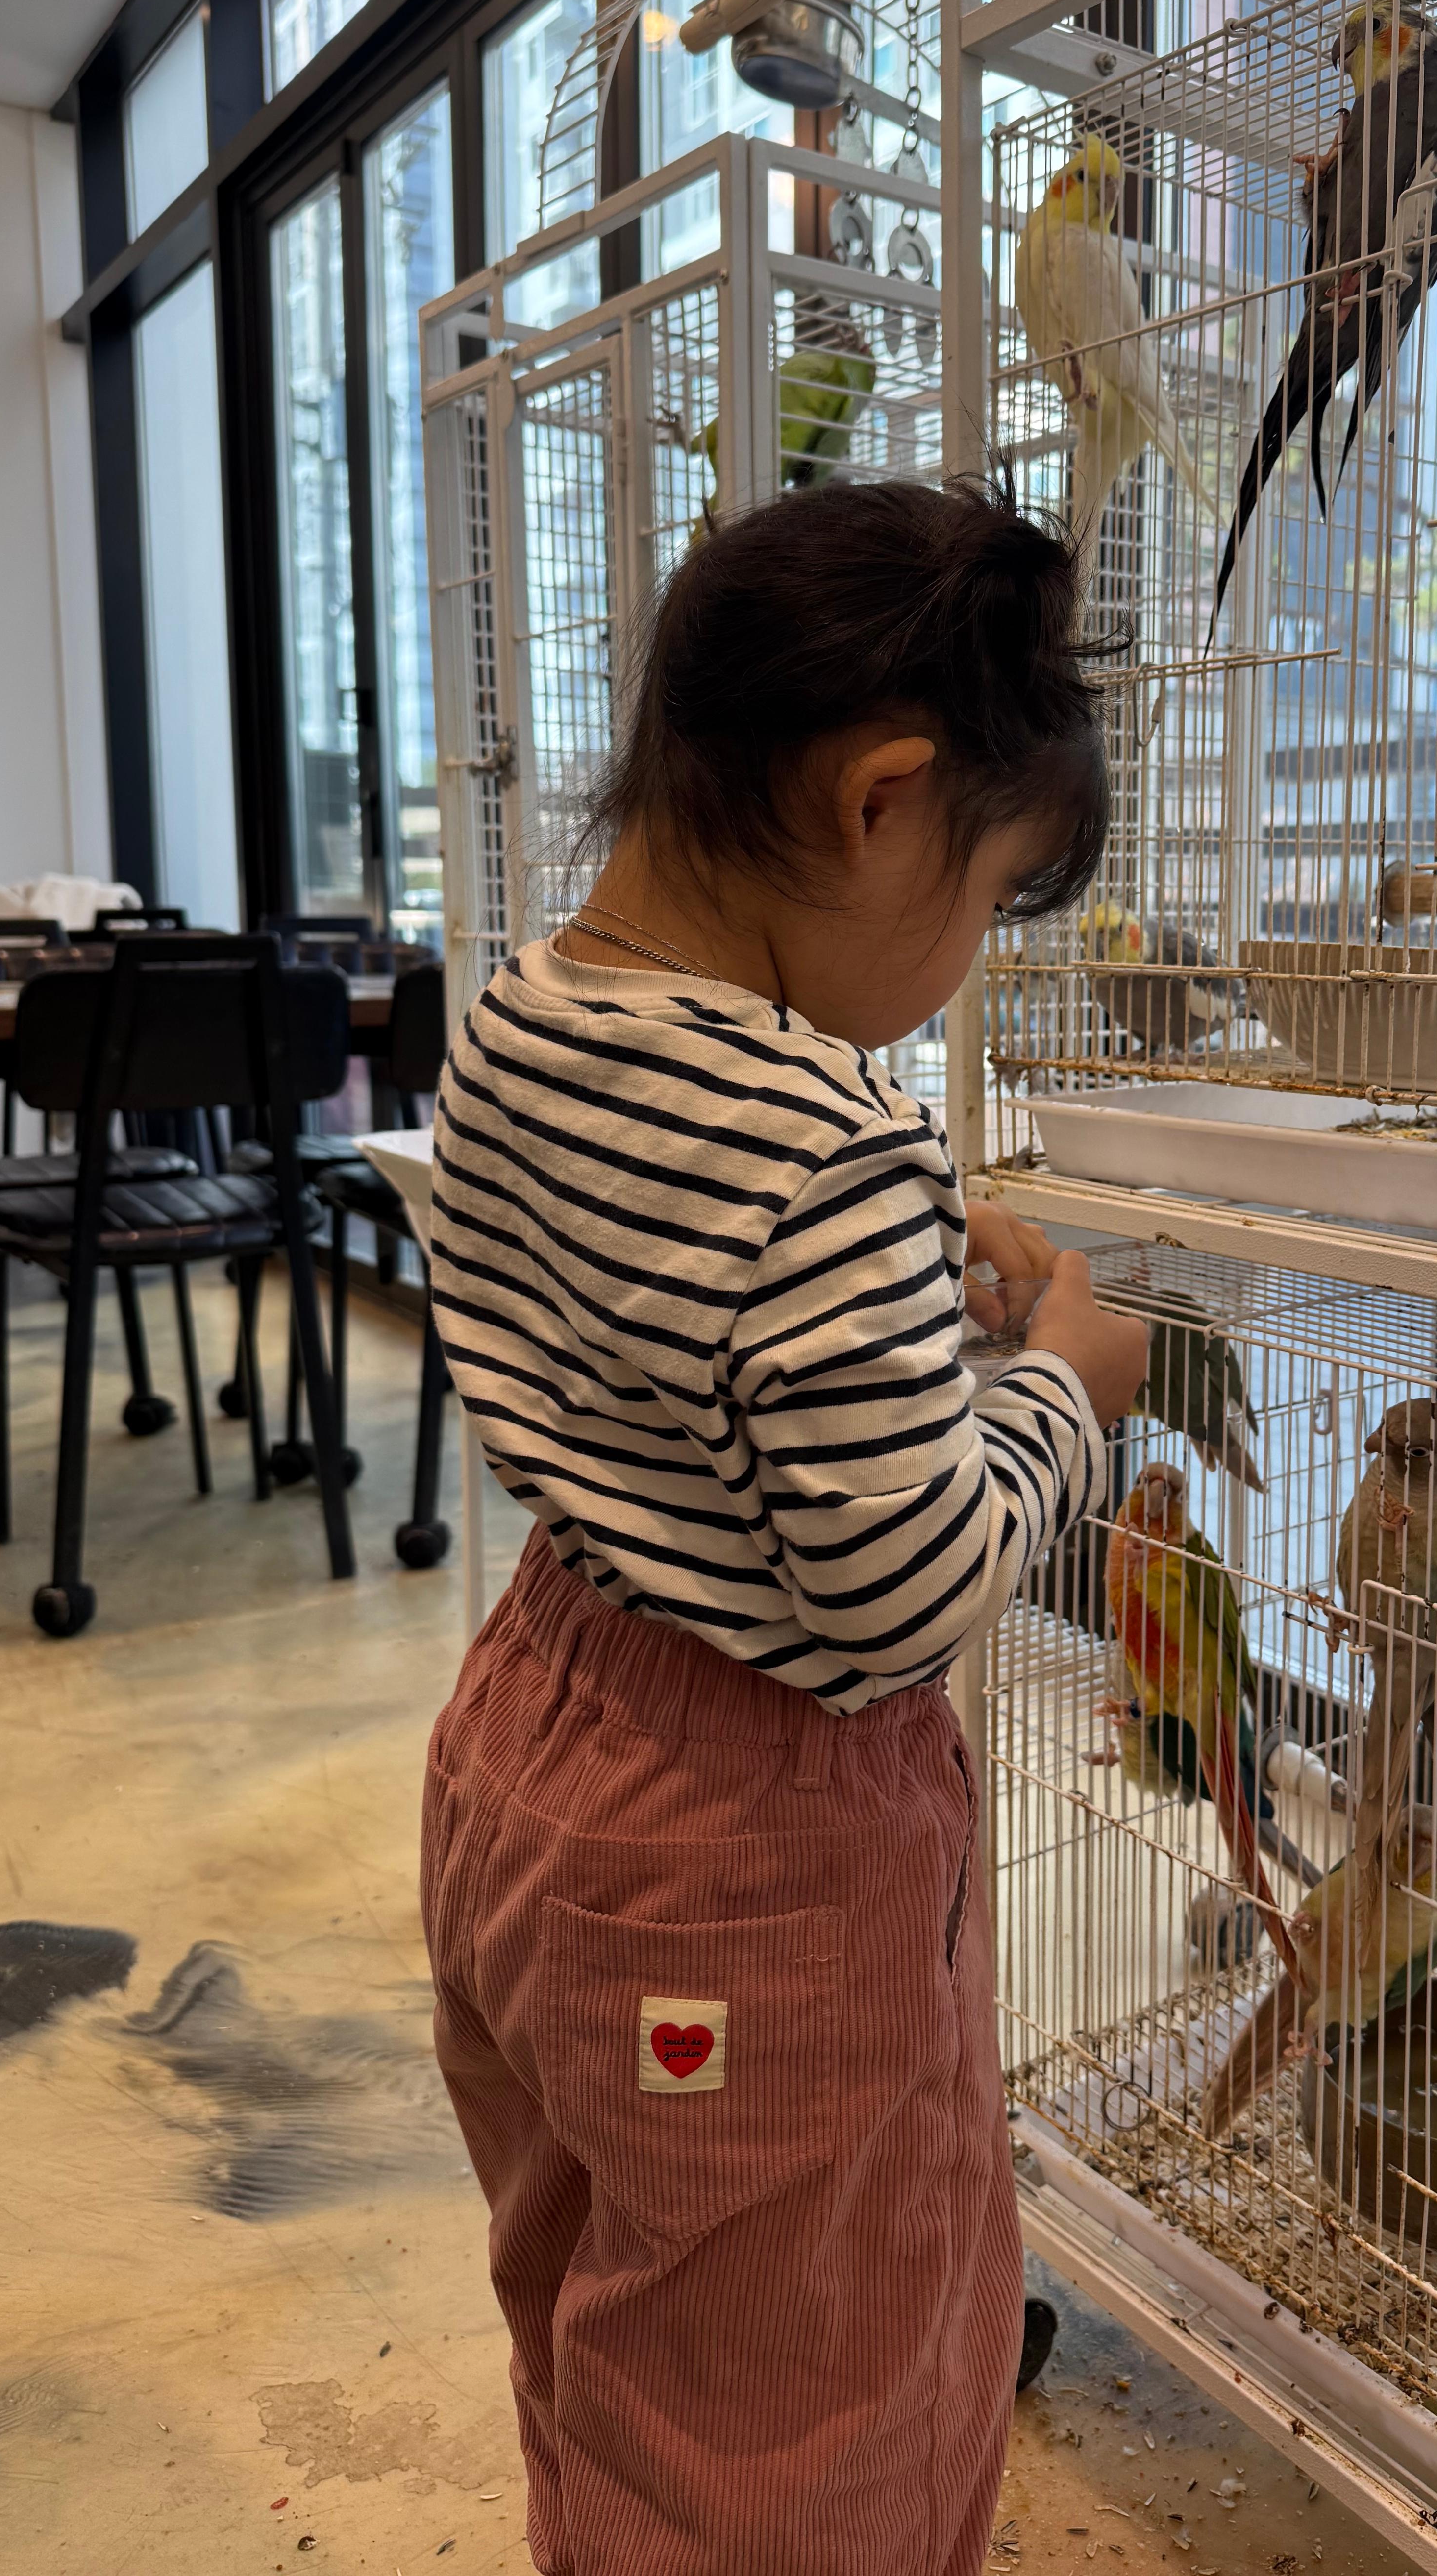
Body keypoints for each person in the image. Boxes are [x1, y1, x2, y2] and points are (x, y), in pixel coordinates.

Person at [421, 477, 1148, 2575]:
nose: (957, 967)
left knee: (611, 2307)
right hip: (747, 1837)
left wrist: (901, 1281)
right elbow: (898, 1594)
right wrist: (1062, 1392)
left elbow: (638, 1334)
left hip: (534, 1739)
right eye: (986, 900)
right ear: (882, 800)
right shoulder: (826, 1139)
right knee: (811, 2403)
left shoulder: (523, 1018)